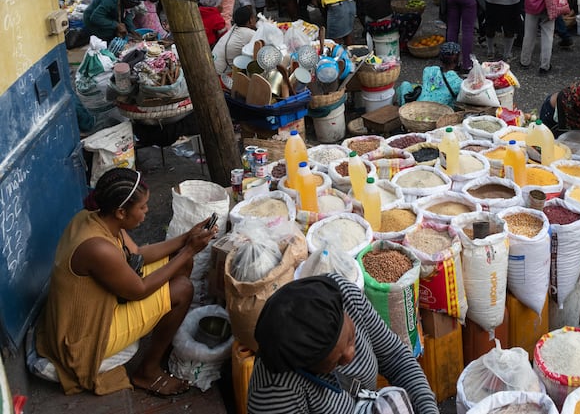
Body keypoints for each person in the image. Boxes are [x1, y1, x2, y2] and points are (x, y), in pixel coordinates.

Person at [36, 167, 216, 396]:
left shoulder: (95, 219)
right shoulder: (98, 248)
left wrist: (186, 238)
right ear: (121, 212)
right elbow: (139, 290)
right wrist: (189, 250)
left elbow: (138, 253)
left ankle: (163, 335)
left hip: (93, 310)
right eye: (142, 207)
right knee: (182, 288)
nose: (146, 211)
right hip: (85, 338)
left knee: (180, 264)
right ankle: (147, 371)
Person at [247, 275, 438, 414]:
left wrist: (428, 408)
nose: (350, 354)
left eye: (350, 338)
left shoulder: (346, 296)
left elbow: (397, 358)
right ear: (305, 366)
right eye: (336, 361)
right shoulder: (274, 395)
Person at [395, 42, 463, 107]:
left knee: (406, 84)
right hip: (438, 111)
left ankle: (403, 108)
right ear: (457, 60)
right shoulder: (458, 82)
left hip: (418, 106)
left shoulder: (428, 70)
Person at [213, 5, 258, 74]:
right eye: (254, 17)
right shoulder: (249, 33)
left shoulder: (234, 28)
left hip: (214, 67)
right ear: (250, 20)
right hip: (222, 76)